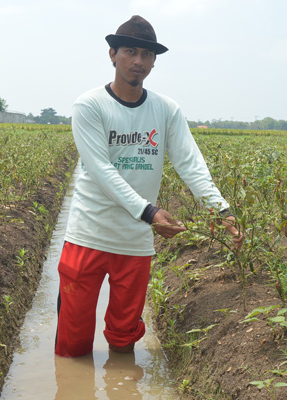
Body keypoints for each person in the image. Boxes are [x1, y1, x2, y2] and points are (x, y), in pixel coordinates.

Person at [55, 15, 242, 358]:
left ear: (154, 61)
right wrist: (150, 212)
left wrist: (221, 210)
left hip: (135, 242)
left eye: (146, 55)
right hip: (88, 236)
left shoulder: (166, 110)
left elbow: (190, 163)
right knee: (73, 341)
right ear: (112, 54)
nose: (138, 61)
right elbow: (100, 169)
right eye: (130, 52)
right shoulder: (90, 105)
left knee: (125, 338)